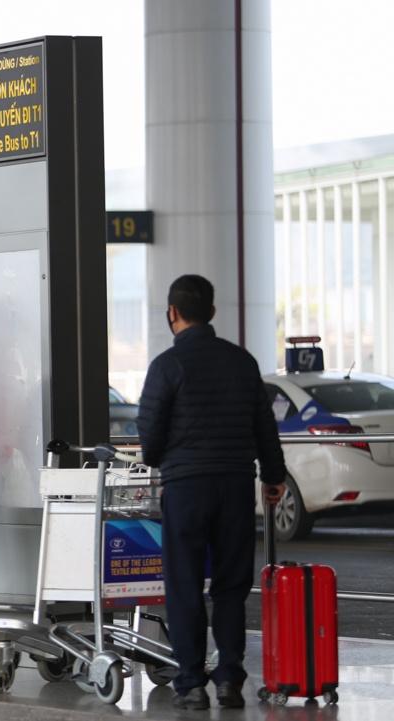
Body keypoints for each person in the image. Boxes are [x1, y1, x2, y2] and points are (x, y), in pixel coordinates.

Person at [136, 274, 286, 710]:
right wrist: (272, 476)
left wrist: (160, 456)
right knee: (230, 586)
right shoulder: (241, 362)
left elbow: (150, 433)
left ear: (173, 313)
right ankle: (228, 681)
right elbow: (264, 426)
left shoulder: (167, 365)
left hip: (185, 488)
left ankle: (191, 683)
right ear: (213, 313)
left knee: (183, 584)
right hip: (236, 485)